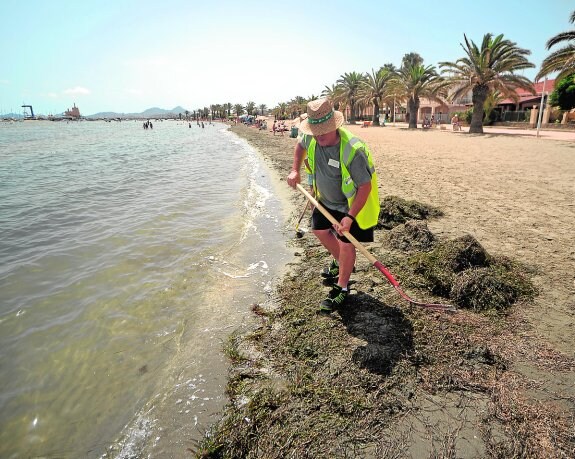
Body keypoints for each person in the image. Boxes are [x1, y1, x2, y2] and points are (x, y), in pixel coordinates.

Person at [287, 98, 380, 313]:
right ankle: (343, 262)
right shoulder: (311, 138)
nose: (318, 137)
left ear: (334, 127)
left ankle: (342, 287)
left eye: (323, 132)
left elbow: (364, 187)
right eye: (315, 131)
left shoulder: (351, 150)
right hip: (324, 199)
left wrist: (349, 217)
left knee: (346, 243)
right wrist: (295, 170)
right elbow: (300, 145)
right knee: (318, 230)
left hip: (351, 205)